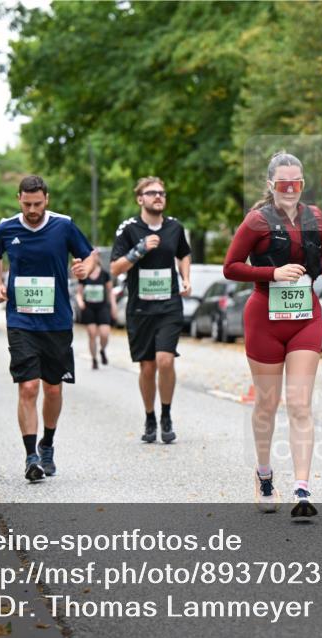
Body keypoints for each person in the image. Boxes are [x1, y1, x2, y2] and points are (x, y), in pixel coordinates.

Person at [223, 151, 322, 519]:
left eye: (297, 183)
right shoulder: (257, 221)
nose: (290, 189)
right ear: (272, 185)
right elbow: (230, 268)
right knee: (267, 404)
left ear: (302, 184)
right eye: (283, 183)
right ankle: (264, 475)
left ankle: (302, 488)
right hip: (265, 318)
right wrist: (271, 274)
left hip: (306, 316)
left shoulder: (315, 217)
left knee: (300, 403)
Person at [0, 176, 97, 482]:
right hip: (21, 320)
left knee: (52, 388)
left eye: (37, 203)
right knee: (29, 386)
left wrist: (84, 268)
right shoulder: (6, 227)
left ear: (46, 199)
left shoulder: (63, 225)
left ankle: (47, 443)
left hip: (57, 320)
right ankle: (31, 456)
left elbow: (89, 255)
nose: (32, 209)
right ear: (18, 198)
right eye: (26, 203)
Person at [110, 177, 192, 444]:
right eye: (151, 193)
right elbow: (114, 268)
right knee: (147, 366)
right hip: (140, 308)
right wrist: (139, 250)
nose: (158, 196)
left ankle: (166, 414)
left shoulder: (174, 227)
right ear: (140, 199)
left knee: (165, 360)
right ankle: (149, 416)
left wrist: (186, 277)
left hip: (169, 305)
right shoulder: (129, 229)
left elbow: (184, 254)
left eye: (161, 192)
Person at [75, 256, 118, 369]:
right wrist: (80, 302)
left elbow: (110, 291)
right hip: (88, 307)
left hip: (102, 306)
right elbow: (79, 292)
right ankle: (94, 359)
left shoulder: (104, 274)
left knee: (104, 333)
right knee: (92, 334)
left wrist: (113, 306)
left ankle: (102, 350)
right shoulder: (84, 274)